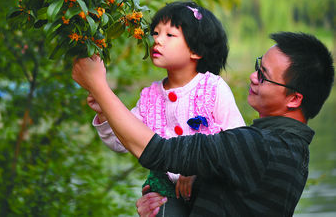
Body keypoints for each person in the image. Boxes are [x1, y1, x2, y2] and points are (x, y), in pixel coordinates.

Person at [72, 32, 334, 216]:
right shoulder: (288, 149)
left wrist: (99, 87)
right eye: (258, 66)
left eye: (264, 76)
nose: (253, 77)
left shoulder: (259, 146)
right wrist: (169, 201)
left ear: (294, 98)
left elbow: (158, 152)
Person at [87, 1, 245, 215]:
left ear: (196, 51)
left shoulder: (213, 88)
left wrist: (198, 171)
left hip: (211, 188)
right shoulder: (150, 97)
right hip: (166, 193)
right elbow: (121, 140)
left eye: (169, 35)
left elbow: (236, 145)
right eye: (155, 33)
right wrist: (104, 112)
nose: (157, 40)